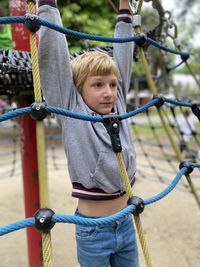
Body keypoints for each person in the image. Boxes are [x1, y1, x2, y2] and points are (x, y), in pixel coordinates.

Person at [38, 0, 139, 266]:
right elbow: (54, 59)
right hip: (94, 231)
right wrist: (48, 7)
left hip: (126, 222)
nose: (108, 92)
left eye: (112, 84)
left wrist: (125, 10)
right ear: (79, 89)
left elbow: (123, 56)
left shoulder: (118, 106)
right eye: (97, 85)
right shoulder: (71, 110)